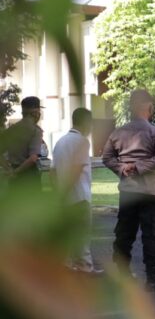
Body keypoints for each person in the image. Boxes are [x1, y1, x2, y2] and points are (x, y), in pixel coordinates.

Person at [102, 90, 155, 290]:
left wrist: (122, 168)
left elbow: (107, 158)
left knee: (124, 234)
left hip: (128, 190)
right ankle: (153, 277)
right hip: (150, 191)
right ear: (149, 107)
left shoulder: (118, 133)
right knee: (152, 235)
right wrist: (139, 167)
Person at [51, 108, 102, 274]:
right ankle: (85, 269)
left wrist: (58, 193)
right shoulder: (82, 142)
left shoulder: (60, 142)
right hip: (80, 196)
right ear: (86, 122)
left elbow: (52, 172)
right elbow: (77, 169)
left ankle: (66, 270)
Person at [3, 96, 44, 190]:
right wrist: (16, 172)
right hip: (29, 177)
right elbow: (33, 158)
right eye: (39, 111)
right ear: (35, 113)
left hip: (14, 177)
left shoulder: (11, 129)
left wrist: (9, 170)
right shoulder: (35, 131)